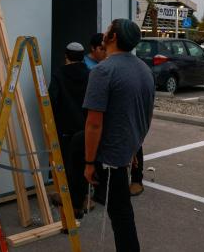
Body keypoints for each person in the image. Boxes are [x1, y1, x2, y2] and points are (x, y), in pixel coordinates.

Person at [82, 19, 155, 251]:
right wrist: (134, 148)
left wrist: (89, 163)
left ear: (112, 38)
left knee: (121, 214)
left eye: (108, 29)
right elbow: (146, 116)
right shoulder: (144, 69)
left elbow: (94, 124)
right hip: (125, 150)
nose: (104, 32)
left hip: (109, 158)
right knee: (121, 210)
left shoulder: (103, 71)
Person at [48, 42, 90, 217]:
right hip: (85, 128)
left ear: (66, 56)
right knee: (83, 165)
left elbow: (52, 100)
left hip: (65, 129)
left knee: (66, 165)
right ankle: (81, 201)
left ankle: (69, 202)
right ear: (82, 56)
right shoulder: (90, 74)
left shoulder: (59, 74)